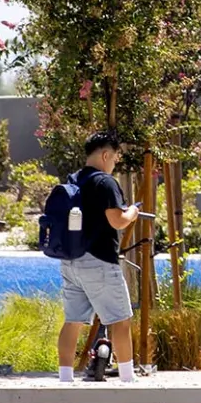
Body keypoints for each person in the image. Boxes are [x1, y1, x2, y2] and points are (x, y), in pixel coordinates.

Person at [56, 132, 140, 383]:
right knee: (120, 320)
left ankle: (65, 378)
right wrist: (133, 213)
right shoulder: (105, 182)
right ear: (105, 155)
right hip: (99, 262)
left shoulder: (74, 179)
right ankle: (128, 378)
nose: (115, 162)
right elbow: (117, 221)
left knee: (72, 321)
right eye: (114, 157)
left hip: (71, 261)